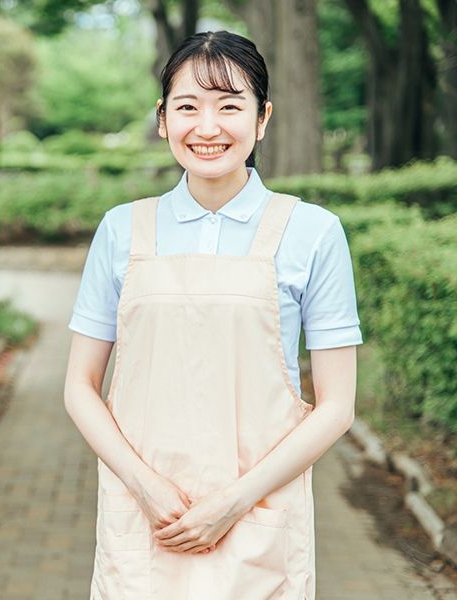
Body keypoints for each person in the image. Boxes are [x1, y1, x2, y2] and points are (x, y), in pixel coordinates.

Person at [63, 30, 362, 600]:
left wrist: (232, 503)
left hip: (259, 522)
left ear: (262, 118)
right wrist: (146, 487)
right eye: (187, 107)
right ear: (162, 119)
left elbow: (337, 407)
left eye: (229, 106)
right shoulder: (121, 230)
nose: (207, 127)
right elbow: (79, 385)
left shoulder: (312, 232)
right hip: (145, 524)